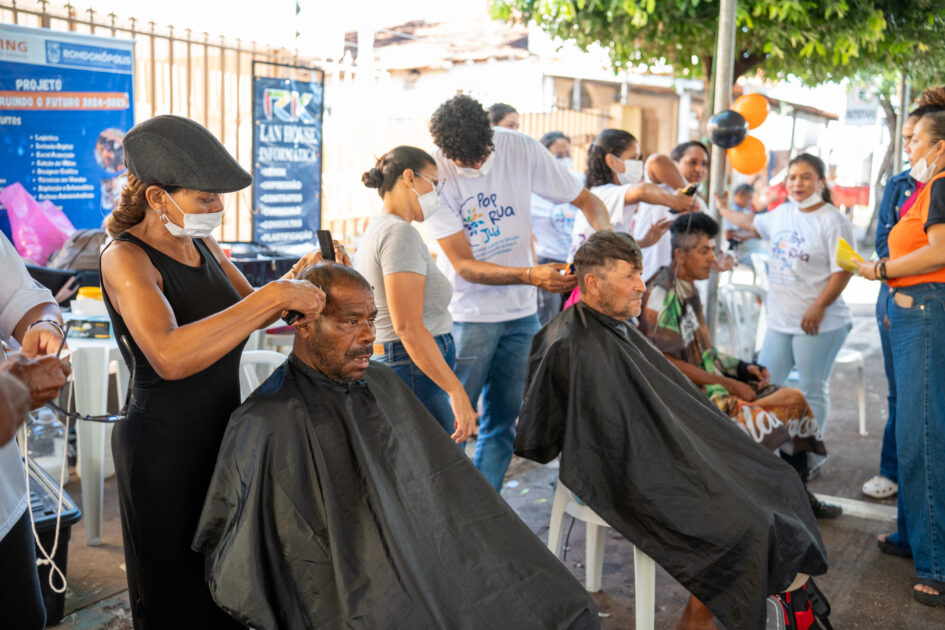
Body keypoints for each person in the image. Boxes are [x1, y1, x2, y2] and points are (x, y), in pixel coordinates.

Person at [193, 263, 600, 629]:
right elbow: (271, 561)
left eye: (371, 319)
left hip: (417, 564)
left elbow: (438, 491)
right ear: (302, 324)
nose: (369, 336)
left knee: (561, 605)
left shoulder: (382, 382)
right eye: (350, 321)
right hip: (353, 595)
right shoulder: (268, 419)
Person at [516, 231, 827, 630]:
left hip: (653, 455)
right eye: (630, 276)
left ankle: (766, 605)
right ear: (592, 283)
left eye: (640, 273)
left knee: (778, 480)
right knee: (746, 523)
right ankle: (696, 622)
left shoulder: (616, 329)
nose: (641, 286)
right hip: (620, 472)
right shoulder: (570, 342)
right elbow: (557, 435)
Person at [99, 115, 329, 628]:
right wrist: (274, 296)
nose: (218, 209)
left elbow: (252, 310)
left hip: (223, 438)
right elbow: (169, 355)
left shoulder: (200, 243)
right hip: (162, 449)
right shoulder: (126, 258)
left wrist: (300, 278)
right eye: (206, 199)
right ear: (158, 197)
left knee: (225, 586)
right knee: (175, 596)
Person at [425, 94, 612, 492]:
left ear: (490, 136)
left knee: (504, 423)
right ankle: (448, 511)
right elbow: (465, 265)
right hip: (468, 315)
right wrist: (531, 275)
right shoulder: (435, 170)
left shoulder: (520, 148)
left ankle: (485, 507)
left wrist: (608, 250)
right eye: (464, 162)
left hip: (521, 315)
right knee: (454, 425)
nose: (476, 166)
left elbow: (587, 201)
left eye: (481, 156)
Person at [639, 214, 836, 519]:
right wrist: (730, 384)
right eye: (704, 251)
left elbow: (704, 351)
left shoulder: (687, 287)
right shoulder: (662, 293)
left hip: (712, 390)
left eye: (712, 250)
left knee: (793, 400)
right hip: (693, 406)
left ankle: (796, 494)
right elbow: (662, 360)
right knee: (787, 404)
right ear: (680, 255)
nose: (712, 258)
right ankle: (784, 500)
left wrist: (743, 369)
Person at [717, 153, 855, 482]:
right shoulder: (781, 213)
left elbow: (844, 270)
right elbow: (752, 223)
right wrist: (722, 209)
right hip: (780, 322)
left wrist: (819, 306)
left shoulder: (833, 220)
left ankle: (808, 459)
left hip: (819, 322)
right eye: (792, 177)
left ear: (821, 181)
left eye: (806, 177)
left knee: (811, 390)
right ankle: (764, 454)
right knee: (766, 385)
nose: (797, 183)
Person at [856, 101, 945, 607]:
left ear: (940, 147)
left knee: (923, 438)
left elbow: (939, 251)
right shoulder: (926, 186)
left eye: (916, 141)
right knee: (914, 432)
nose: (908, 149)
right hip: (915, 312)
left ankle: (937, 566)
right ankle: (915, 537)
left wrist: (882, 271)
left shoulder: (942, 184)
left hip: (926, 314)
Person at [354, 146, 475, 442]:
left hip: (405, 364)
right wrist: (455, 390)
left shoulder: (379, 228)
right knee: (443, 463)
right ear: (409, 177)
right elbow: (407, 326)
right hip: (412, 367)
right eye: (433, 183)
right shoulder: (399, 233)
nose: (437, 194)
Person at [0, 231, 71, 629]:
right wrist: (14, 390)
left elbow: (22, 297)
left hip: (5, 497)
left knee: (25, 615)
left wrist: (45, 323)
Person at [568, 129, 695, 260]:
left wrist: (644, 242)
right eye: (633, 158)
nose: (638, 164)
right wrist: (675, 200)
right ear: (612, 161)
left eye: (638, 158)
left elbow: (611, 246)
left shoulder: (602, 193)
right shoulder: (604, 193)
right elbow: (642, 191)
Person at [632, 141, 710, 282]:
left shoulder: (700, 201)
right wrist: (687, 193)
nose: (699, 169)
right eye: (692, 162)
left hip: (682, 284)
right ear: (675, 163)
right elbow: (656, 161)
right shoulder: (662, 186)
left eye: (704, 164)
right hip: (651, 279)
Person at [530, 131, 581, 324]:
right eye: (559, 155)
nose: (565, 159)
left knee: (572, 320)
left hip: (574, 263)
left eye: (568, 154)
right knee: (548, 320)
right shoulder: (532, 190)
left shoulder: (577, 183)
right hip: (548, 262)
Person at [722, 183, 766, 265]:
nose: (751, 202)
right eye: (749, 198)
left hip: (749, 252)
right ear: (740, 195)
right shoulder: (730, 210)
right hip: (738, 255)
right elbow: (729, 235)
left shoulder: (744, 210)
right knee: (764, 262)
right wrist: (754, 234)